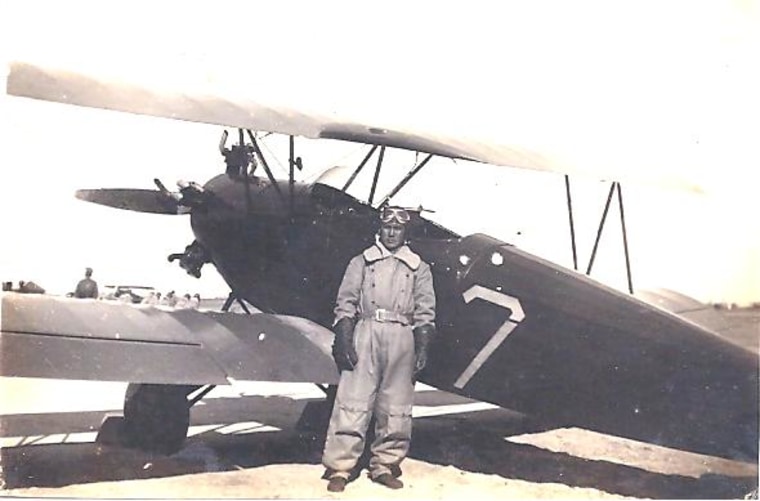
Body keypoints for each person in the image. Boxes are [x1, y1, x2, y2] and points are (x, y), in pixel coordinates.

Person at [321, 206, 436, 492]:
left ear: (405, 232)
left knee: (395, 406)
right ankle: (340, 468)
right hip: (367, 331)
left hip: (402, 336)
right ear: (380, 229)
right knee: (353, 401)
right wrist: (345, 338)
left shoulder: (419, 268)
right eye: (388, 227)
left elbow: (425, 312)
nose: (392, 232)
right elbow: (345, 303)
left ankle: (384, 465)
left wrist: (422, 347)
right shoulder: (361, 262)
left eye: (398, 229)